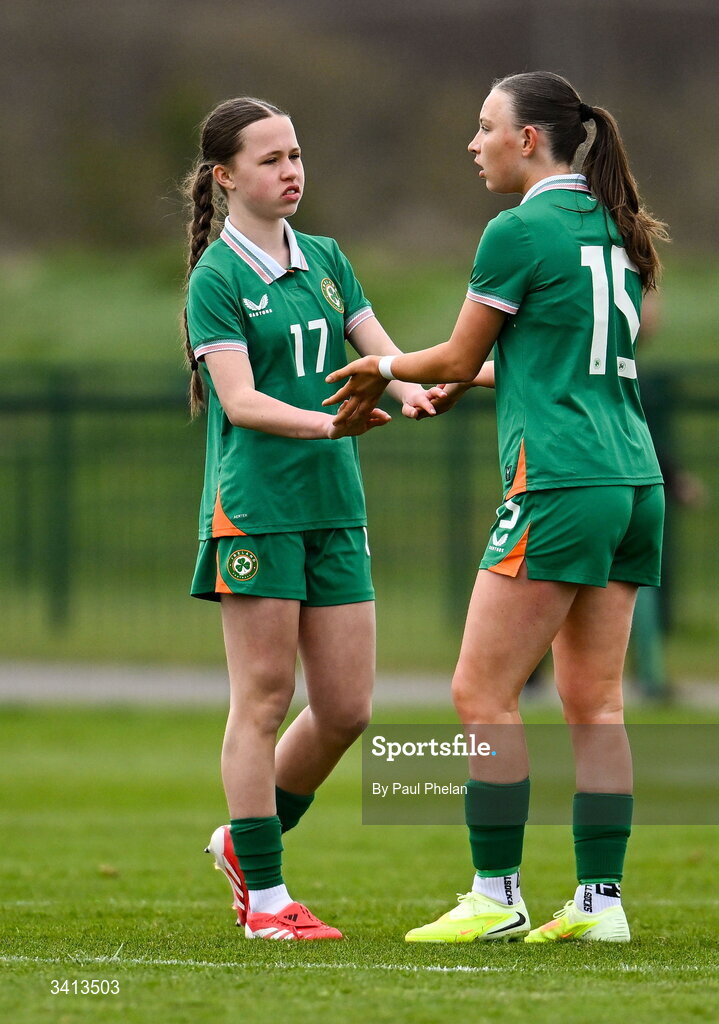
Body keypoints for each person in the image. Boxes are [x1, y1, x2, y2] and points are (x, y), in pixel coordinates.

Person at [326, 71, 669, 944]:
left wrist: (385, 368)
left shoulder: (515, 231)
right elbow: (556, 359)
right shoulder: (618, 227)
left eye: (484, 128)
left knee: (480, 692)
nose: (472, 144)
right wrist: (481, 383)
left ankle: (495, 895)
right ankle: (601, 907)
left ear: (529, 140)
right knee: (596, 704)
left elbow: (447, 354)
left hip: (558, 482)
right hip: (633, 481)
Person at [182, 96, 437, 941]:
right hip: (257, 511)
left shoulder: (326, 257)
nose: (291, 171)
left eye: (296, 154)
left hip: (337, 509)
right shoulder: (216, 279)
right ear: (225, 177)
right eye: (269, 159)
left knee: (346, 710)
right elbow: (241, 401)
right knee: (262, 699)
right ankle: (264, 901)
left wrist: (412, 386)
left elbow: (375, 352)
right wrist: (332, 423)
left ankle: (242, 843)